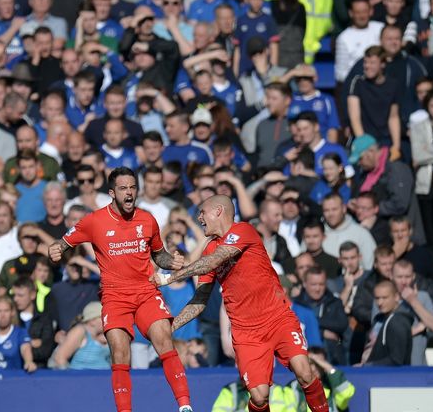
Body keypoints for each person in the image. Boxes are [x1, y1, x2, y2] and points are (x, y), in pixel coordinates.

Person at [152, 195, 329, 412]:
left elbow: (215, 260)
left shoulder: (243, 230)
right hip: (246, 333)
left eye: (202, 212)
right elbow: (200, 300)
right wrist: (171, 327)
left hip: (277, 318)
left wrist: (169, 277)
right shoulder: (208, 249)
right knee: (259, 395)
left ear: (218, 211)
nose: (198, 218)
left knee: (304, 371)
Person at [48, 167, 194, 412]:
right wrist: (55, 250)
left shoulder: (147, 220)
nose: (129, 193)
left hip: (145, 292)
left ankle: (185, 406)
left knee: (163, 338)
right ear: (112, 193)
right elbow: (62, 243)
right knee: (119, 351)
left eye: (133, 188)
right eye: (123, 188)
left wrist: (173, 262)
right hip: (115, 296)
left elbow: (160, 256)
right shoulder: (94, 221)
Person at [0, 295, 36, 372]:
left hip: (13, 380)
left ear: (12, 313)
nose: (3, 315)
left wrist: (29, 362)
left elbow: (25, 349)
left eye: (6, 311)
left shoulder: (20, 333)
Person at [361, 281, 412, 366]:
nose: (380, 303)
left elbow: (396, 360)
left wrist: (366, 366)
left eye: (384, 298)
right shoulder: (379, 319)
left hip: (388, 377)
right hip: (373, 374)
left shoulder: (397, 322)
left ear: (396, 297)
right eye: (377, 298)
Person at [289, 348, 355, 412]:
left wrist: (328, 368)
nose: (314, 369)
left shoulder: (333, 384)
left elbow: (346, 395)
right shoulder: (294, 386)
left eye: (318, 364)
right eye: (311, 363)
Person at [52, 301, 111, 370]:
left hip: (105, 378)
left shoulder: (106, 334)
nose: (108, 320)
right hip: (82, 378)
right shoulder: (80, 331)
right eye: (104, 317)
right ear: (92, 320)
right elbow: (60, 358)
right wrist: (70, 378)